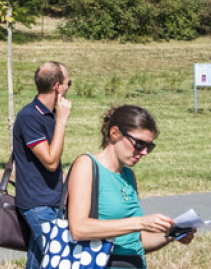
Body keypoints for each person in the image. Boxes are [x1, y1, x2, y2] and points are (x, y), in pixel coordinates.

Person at [67, 105, 195, 269]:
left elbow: (137, 242)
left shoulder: (128, 175)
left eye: (149, 146)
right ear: (115, 134)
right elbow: (79, 228)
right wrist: (141, 222)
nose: (144, 153)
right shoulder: (87, 165)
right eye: (139, 144)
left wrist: (172, 234)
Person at [13, 61, 72, 269]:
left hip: (53, 200)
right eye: (68, 83)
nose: (68, 89)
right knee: (60, 257)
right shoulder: (29, 116)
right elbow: (50, 161)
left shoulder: (50, 115)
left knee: (39, 261)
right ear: (57, 87)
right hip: (37, 204)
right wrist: (62, 122)